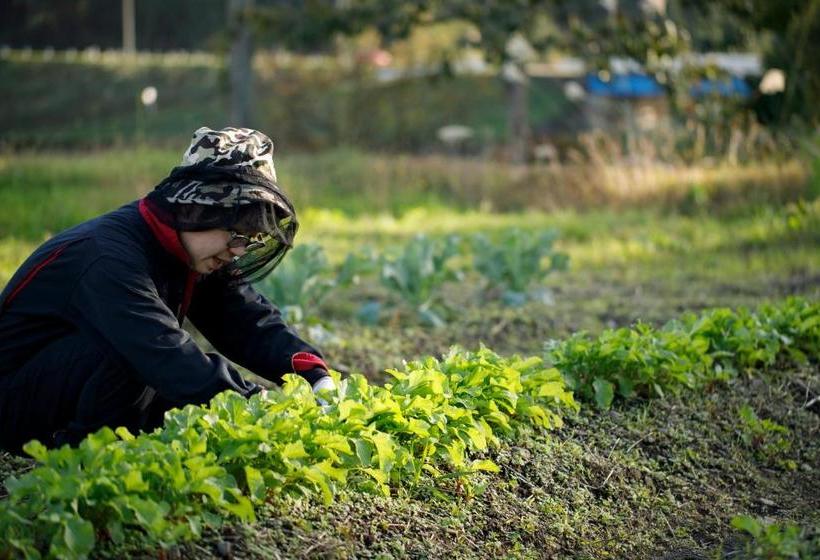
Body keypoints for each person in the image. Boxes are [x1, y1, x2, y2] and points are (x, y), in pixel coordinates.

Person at [0, 127, 335, 454]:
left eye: (249, 240)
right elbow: (161, 350)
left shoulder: (189, 247)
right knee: (148, 359)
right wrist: (257, 405)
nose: (238, 250)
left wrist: (314, 374)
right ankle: (80, 453)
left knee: (183, 401)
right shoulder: (107, 256)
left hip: (72, 380)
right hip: (13, 400)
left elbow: (246, 320)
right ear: (196, 208)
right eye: (236, 234)